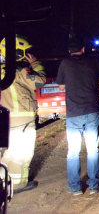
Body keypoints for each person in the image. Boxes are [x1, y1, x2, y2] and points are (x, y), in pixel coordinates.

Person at [56, 36, 99, 196]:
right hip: (92, 111)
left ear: (69, 51)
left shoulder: (65, 63)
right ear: (83, 49)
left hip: (73, 114)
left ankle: (75, 187)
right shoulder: (93, 62)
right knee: (92, 150)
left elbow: (62, 86)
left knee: (73, 152)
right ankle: (94, 185)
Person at [0, 35, 46, 194]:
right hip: (22, 120)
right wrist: (36, 64)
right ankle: (18, 184)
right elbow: (40, 80)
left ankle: (3, 182)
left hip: (5, 120)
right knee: (22, 153)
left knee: (7, 153)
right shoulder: (19, 71)